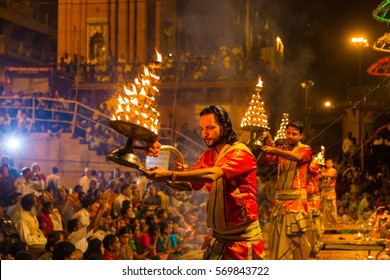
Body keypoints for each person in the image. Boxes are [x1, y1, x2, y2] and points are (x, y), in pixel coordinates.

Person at [146, 105, 264, 260]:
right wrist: (169, 176)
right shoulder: (207, 156)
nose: (205, 134)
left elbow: (213, 174)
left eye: (210, 127)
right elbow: (192, 184)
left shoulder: (240, 152)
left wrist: (169, 174)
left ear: (224, 127)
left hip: (241, 241)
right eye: (202, 128)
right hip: (218, 237)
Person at [258, 120, 312, 260]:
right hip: (280, 201)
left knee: (296, 240)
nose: (290, 136)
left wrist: (275, 150)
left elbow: (297, 157)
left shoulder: (305, 149)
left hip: (296, 202)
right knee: (277, 240)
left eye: (294, 134)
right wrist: (266, 148)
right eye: (288, 133)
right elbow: (261, 162)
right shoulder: (281, 149)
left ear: (301, 136)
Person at [321, 159, 338, 227]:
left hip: (331, 190)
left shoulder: (334, 170)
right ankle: (326, 224)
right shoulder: (324, 170)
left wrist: (323, 174)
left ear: (332, 164)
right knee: (325, 209)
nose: (328, 164)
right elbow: (321, 175)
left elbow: (330, 175)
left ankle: (333, 224)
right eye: (327, 163)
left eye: (329, 163)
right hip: (325, 190)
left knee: (332, 208)